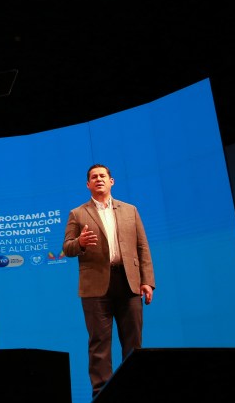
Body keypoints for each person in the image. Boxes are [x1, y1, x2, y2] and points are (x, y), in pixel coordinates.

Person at [62, 164, 155, 398]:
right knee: (99, 344)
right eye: (94, 177)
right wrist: (80, 243)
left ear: (111, 181)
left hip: (129, 282)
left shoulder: (130, 210)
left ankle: (133, 391)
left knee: (133, 343)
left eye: (103, 176)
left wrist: (147, 281)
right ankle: (101, 394)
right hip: (95, 286)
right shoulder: (77, 213)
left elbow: (142, 247)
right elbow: (67, 248)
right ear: (88, 184)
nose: (99, 179)